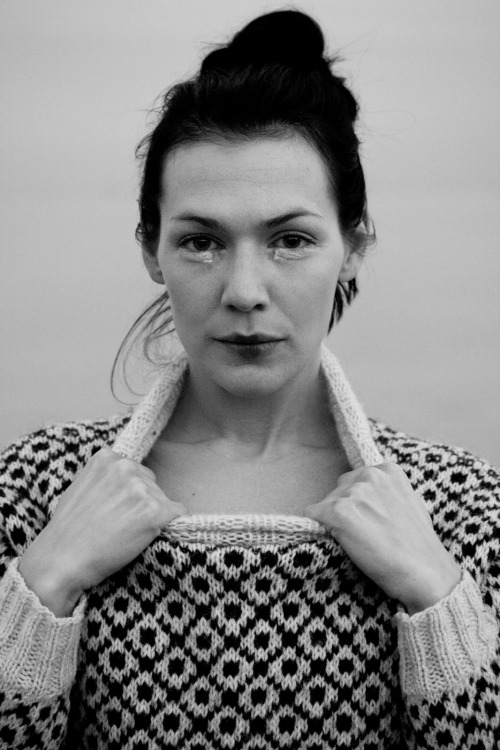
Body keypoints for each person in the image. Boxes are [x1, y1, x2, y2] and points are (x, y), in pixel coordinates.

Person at [0, 9, 498, 750]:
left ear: (354, 246)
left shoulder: (461, 509)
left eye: (290, 240)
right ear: (151, 249)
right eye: (201, 241)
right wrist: (44, 584)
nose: (243, 290)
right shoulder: (37, 488)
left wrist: (436, 596)